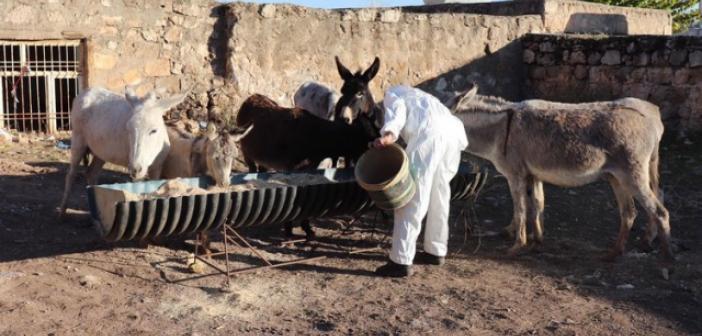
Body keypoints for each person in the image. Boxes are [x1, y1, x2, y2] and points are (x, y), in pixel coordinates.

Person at [373, 85, 468, 278]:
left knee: (412, 196)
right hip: (452, 136)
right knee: (439, 194)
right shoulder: (425, 97)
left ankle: (401, 261)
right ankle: (436, 251)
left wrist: (387, 136)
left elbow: (396, 114)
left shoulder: (392, 93)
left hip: (428, 136)